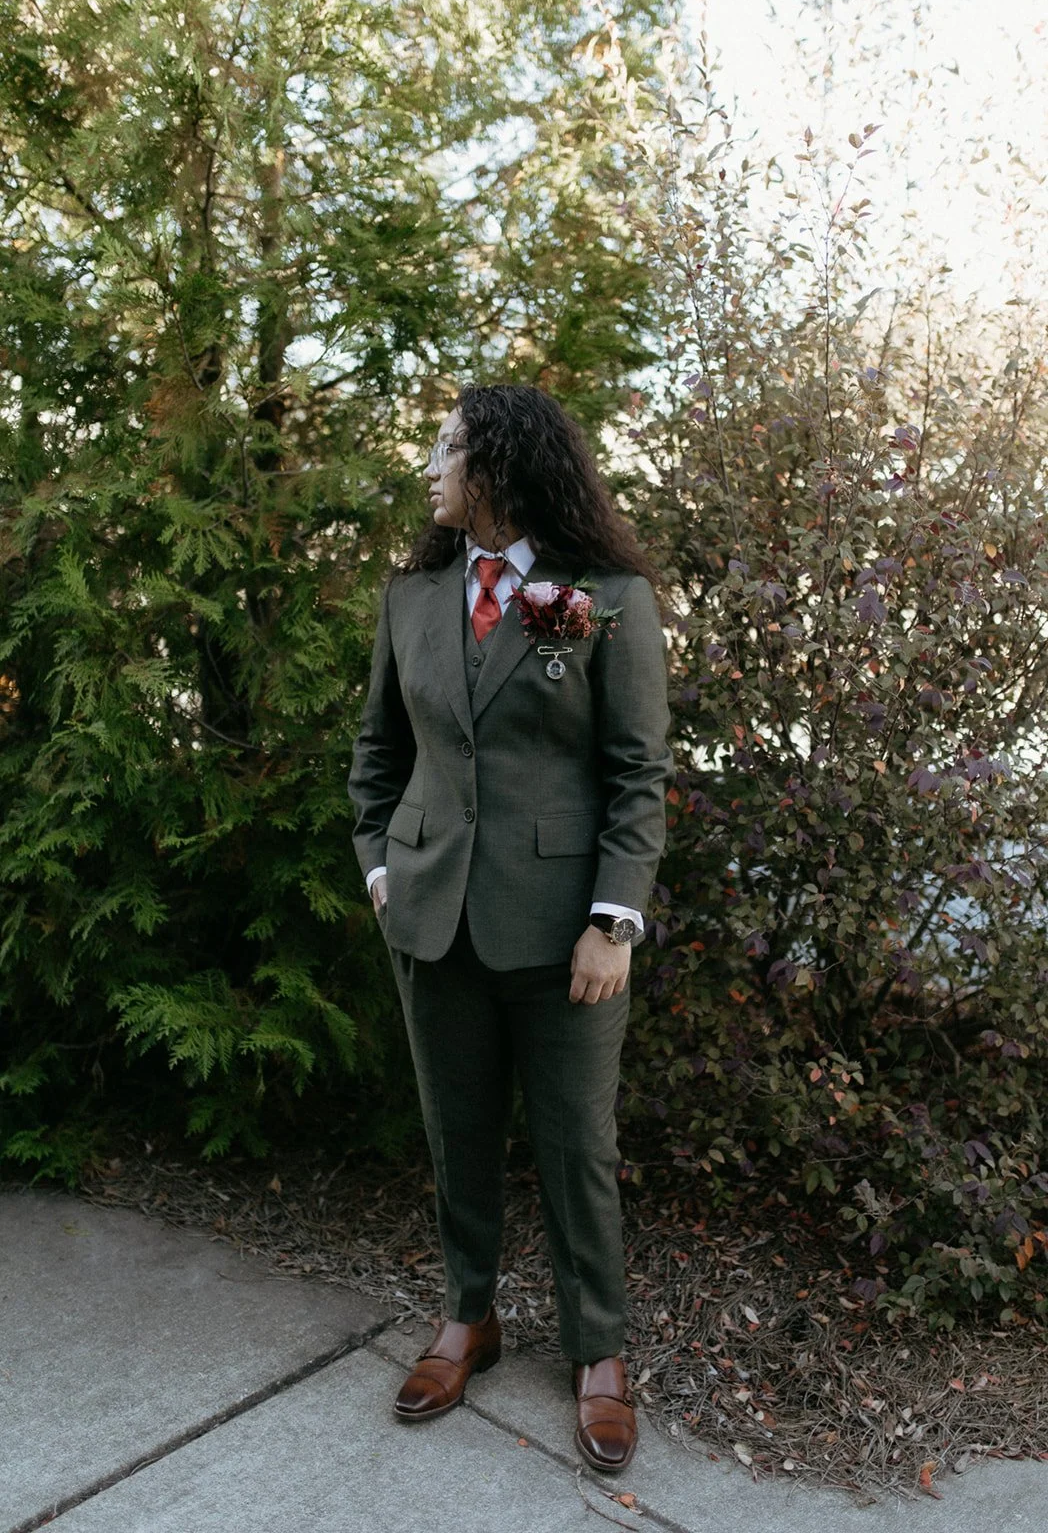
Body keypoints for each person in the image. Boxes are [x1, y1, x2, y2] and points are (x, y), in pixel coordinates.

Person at [346, 382, 674, 1473]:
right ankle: (468, 1316)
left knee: (578, 1144)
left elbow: (637, 772)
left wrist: (613, 922)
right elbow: (376, 758)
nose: (432, 467)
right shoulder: (411, 599)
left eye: (448, 448)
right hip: (428, 919)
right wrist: (384, 870)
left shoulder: (605, 596)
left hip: (565, 934)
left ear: (499, 468)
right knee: (457, 1133)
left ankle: (597, 1352)